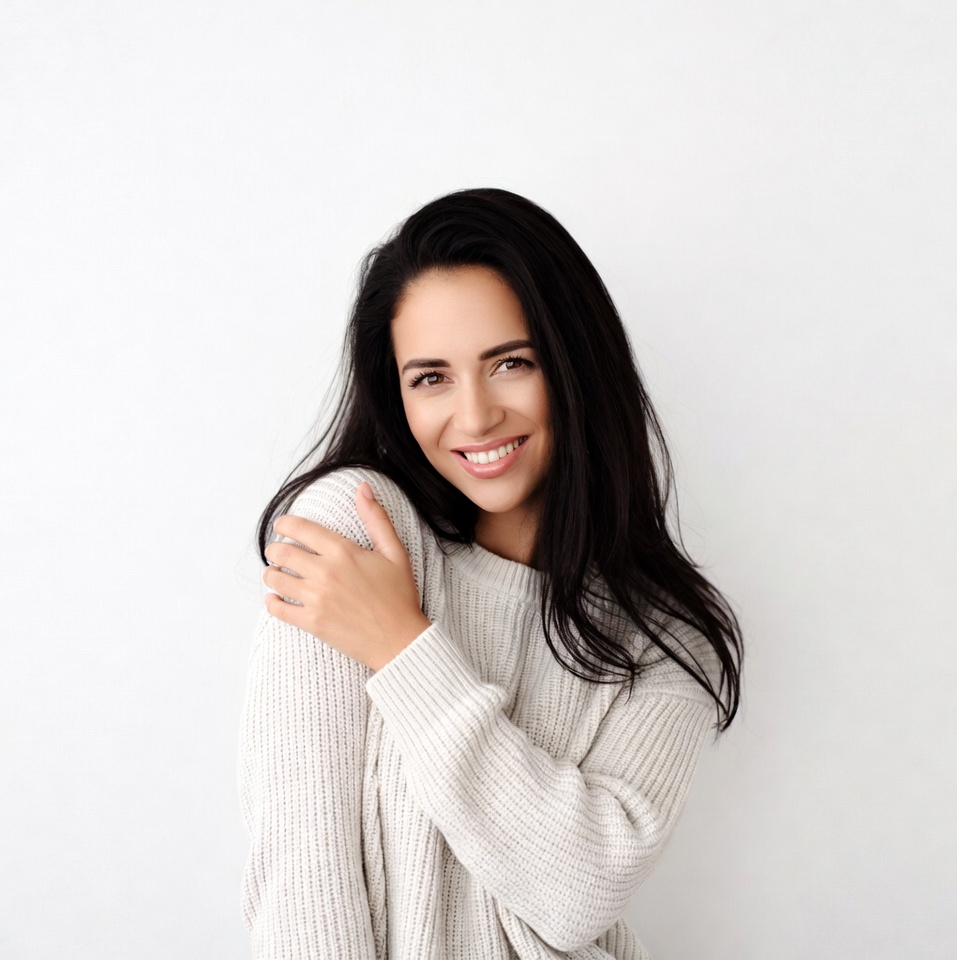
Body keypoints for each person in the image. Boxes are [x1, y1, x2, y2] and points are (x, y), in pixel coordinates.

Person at [239, 187, 743, 959]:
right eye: (430, 378)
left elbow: (579, 894)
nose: (474, 418)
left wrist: (403, 649)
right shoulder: (355, 531)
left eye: (510, 363)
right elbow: (303, 874)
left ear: (574, 363)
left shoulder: (665, 632)